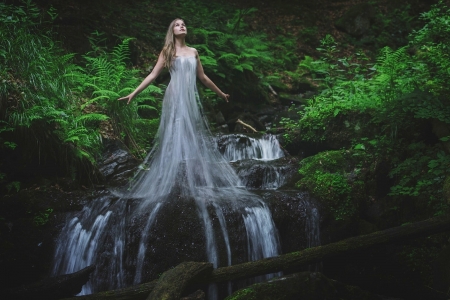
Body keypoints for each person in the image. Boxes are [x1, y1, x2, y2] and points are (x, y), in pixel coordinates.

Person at [118, 18, 229, 104]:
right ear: (172, 31)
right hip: (174, 95)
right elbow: (152, 75)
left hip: (189, 96)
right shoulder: (167, 51)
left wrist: (221, 94)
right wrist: (133, 93)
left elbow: (203, 78)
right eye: (177, 25)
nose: (181, 26)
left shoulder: (193, 52)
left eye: (183, 25)